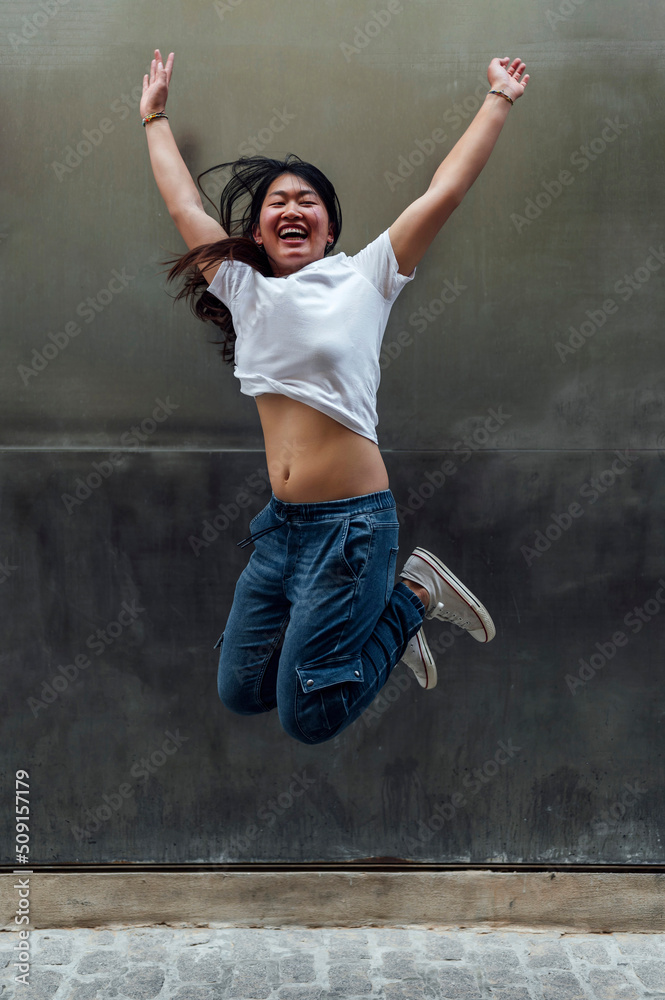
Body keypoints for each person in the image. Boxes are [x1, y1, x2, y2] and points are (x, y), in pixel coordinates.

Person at [141, 47, 529, 745]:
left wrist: (497, 98)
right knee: (240, 690)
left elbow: (442, 193)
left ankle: (412, 595)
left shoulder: (366, 278)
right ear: (256, 230)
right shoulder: (242, 287)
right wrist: (154, 118)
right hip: (281, 530)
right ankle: (380, 626)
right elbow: (180, 203)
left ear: (328, 226)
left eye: (307, 201)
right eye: (276, 203)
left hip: (351, 530)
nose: (291, 208)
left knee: (309, 717)